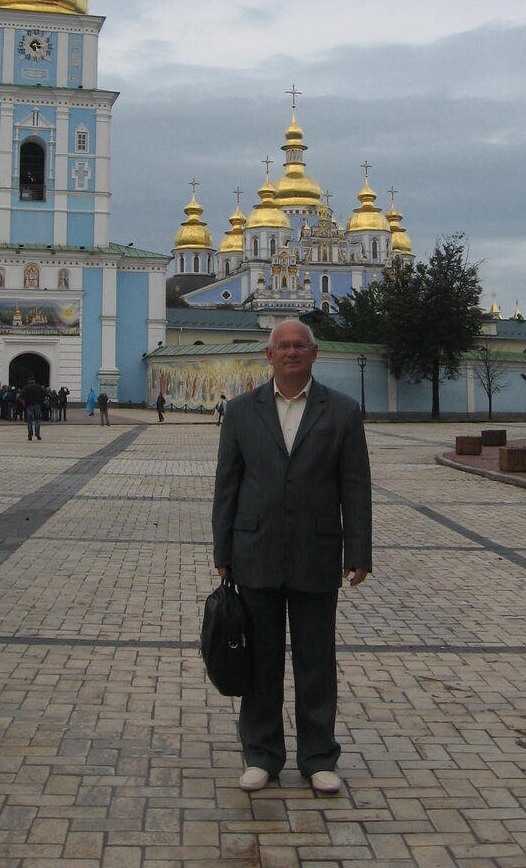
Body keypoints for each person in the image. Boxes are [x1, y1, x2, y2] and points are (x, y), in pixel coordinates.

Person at [212, 319, 372, 795]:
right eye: (283, 346)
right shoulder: (241, 411)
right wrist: (223, 552)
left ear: (314, 353)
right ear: (269, 355)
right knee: (261, 662)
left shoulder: (342, 411)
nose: (292, 352)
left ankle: (319, 757)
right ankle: (261, 756)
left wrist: (358, 550)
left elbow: (355, 487)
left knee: (316, 661)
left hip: (317, 553)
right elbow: (227, 487)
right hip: (254, 552)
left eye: (300, 345)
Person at [20, 377, 46, 441]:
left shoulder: (26, 388)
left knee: (29, 421)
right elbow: (44, 395)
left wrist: (25, 403)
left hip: (29, 405)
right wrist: (41, 403)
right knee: (38, 419)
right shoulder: (39, 387)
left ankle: (30, 434)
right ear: (34, 381)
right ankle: (37, 432)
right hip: (37, 405)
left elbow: (21, 397)